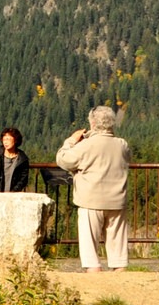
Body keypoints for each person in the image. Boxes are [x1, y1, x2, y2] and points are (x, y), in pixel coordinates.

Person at [57, 106, 133, 272]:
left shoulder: (85, 146)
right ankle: (122, 287)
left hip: (90, 201)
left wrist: (70, 141)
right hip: (117, 202)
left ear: (92, 123)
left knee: (91, 254)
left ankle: (96, 288)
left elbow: (63, 160)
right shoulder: (122, 144)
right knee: (118, 255)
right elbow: (127, 157)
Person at [0, 127, 31, 192]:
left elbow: (23, 179)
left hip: (13, 195)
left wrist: (14, 191)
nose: (5, 142)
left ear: (15, 140)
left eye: (8, 139)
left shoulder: (22, 159)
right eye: (4, 139)